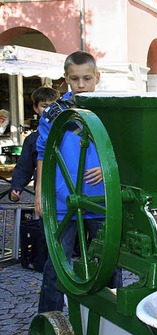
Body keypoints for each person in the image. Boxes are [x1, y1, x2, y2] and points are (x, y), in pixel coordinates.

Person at [36, 51, 121, 313]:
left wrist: (108, 167)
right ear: (66, 79)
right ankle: (49, 322)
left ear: (98, 77)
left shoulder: (113, 108)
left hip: (101, 198)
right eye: (75, 79)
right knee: (56, 267)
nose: (81, 84)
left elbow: (124, 148)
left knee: (108, 263)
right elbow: (42, 151)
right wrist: (40, 191)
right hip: (62, 200)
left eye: (87, 78)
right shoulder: (54, 112)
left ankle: (110, 321)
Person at [10, 87, 59, 271]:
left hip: (66, 190)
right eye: (44, 106)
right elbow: (24, 166)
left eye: (52, 106)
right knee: (46, 228)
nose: (47, 110)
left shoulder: (67, 133)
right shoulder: (32, 140)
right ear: (36, 109)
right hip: (44, 191)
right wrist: (17, 187)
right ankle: (45, 263)